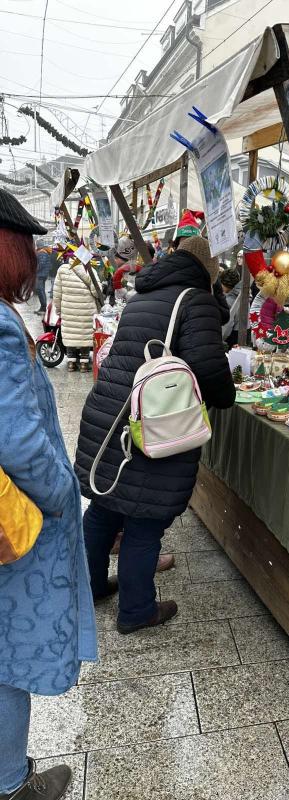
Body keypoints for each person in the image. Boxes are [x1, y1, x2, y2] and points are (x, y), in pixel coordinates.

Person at [74, 235, 236, 634]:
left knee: (104, 509)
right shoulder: (195, 300)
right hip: (152, 421)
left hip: (111, 413)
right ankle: (136, 611)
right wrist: (225, 396)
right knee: (145, 520)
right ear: (208, 271)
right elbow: (208, 367)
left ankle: (90, 587)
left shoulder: (142, 293)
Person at [0, 189, 97, 800]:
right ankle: (11, 782)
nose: (34, 257)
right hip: (14, 528)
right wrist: (64, 492)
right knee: (7, 657)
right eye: (26, 244)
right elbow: (16, 439)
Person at [52, 254, 99, 372]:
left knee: (71, 335)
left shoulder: (62, 269)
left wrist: (59, 310)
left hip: (68, 310)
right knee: (84, 336)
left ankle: (71, 363)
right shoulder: (90, 270)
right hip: (87, 310)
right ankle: (84, 364)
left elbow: (57, 294)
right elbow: (97, 292)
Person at [221, 268, 243, 348]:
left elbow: (228, 325)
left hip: (231, 338)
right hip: (243, 332)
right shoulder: (243, 294)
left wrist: (221, 338)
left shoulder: (229, 300)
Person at [34, 245, 51, 315]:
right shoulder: (43, 253)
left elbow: (41, 264)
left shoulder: (42, 253)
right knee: (41, 290)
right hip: (42, 274)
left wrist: (34, 270)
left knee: (40, 291)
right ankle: (43, 307)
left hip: (40, 275)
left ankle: (43, 308)